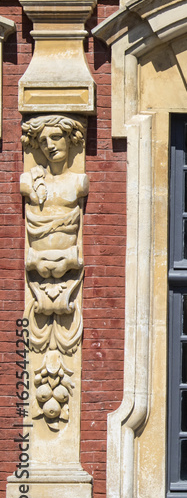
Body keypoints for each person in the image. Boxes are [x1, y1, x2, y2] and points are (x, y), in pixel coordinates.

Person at [20, 115, 89, 354]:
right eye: (42, 141)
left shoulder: (79, 181)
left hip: (67, 262)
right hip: (38, 263)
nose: (49, 145)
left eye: (56, 137)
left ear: (70, 140)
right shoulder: (30, 180)